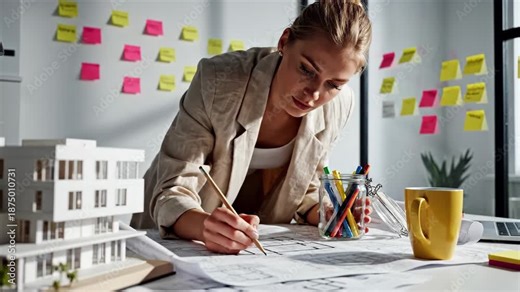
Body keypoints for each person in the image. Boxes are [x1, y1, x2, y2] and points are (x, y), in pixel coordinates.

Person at [131, 0, 373, 254]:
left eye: (333, 85)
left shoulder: (340, 105)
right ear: (284, 41)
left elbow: (303, 189)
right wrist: (205, 227)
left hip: (254, 248)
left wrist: (328, 210)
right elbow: (173, 190)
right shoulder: (218, 80)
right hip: (175, 237)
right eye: (306, 69)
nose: (314, 94)